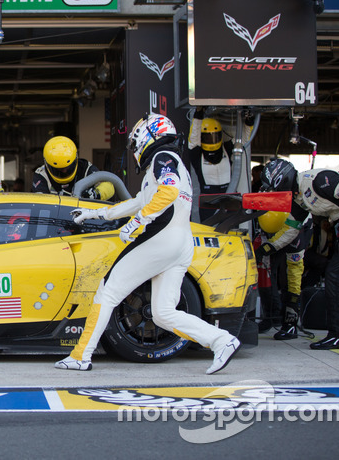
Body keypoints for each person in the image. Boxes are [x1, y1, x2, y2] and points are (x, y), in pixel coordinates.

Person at [57, 113, 240, 374]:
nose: (135, 149)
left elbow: (168, 191)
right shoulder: (174, 162)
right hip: (180, 242)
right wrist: (95, 214)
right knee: (163, 313)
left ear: (149, 135)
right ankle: (222, 340)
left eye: (136, 142)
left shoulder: (162, 157)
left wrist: (137, 223)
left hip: (161, 238)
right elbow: (139, 201)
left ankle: (80, 356)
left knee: (107, 292)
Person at [260, 158, 339, 350]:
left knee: (335, 277)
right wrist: (268, 247)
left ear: (284, 181)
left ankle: (338, 336)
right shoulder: (299, 198)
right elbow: (291, 228)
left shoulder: (318, 180)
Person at [253, 209, 312, 339]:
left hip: (297, 231)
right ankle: (270, 317)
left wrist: (267, 248)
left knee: (290, 279)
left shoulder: (297, 225)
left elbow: (295, 275)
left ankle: (290, 324)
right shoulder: (270, 215)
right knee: (266, 274)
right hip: (280, 224)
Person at [188, 108, 254, 221]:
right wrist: (198, 114)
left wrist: (249, 123)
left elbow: (242, 141)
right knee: (209, 234)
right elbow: (193, 138)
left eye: (214, 136)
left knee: (231, 233)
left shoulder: (228, 148)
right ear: (202, 137)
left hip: (230, 199)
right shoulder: (197, 154)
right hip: (208, 202)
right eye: (208, 137)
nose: (211, 140)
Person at [32, 136, 114, 200]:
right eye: (59, 169)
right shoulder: (42, 174)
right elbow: (40, 201)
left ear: (76, 159)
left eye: (68, 167)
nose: (64, 171)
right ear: (47, 164)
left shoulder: (85, 168)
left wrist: (95, 193)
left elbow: (109, 186)